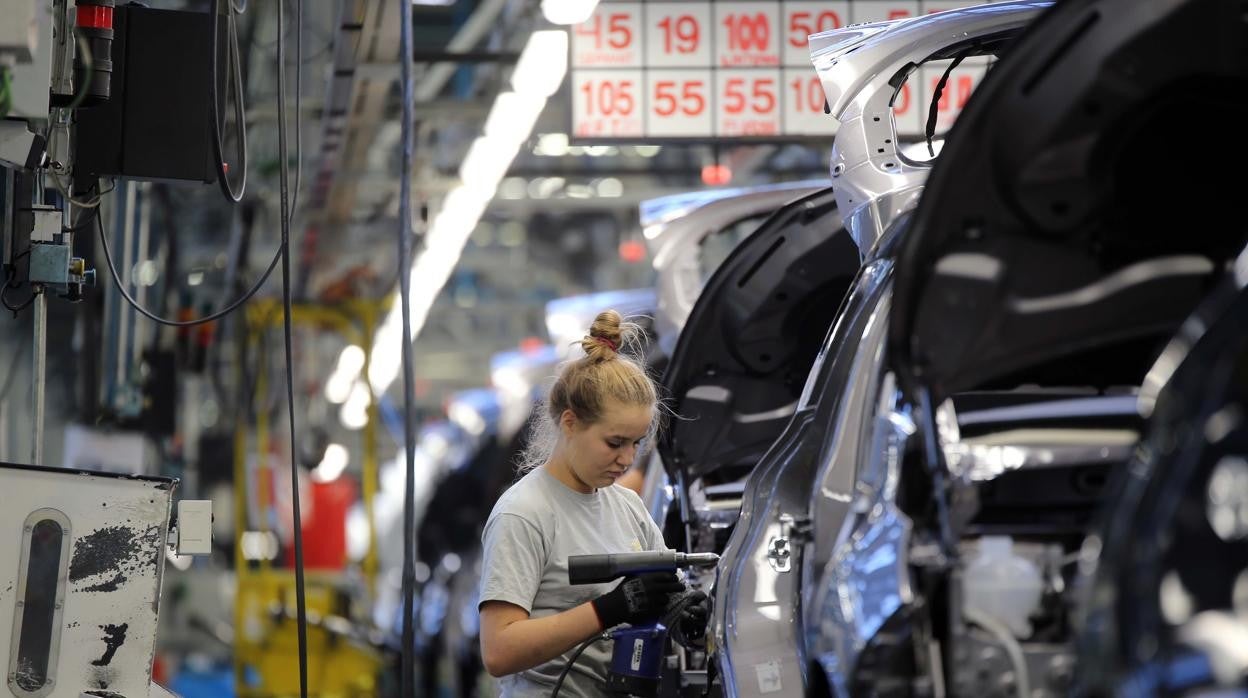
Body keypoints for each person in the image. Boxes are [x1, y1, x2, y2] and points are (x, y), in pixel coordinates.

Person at [478, 310, 683, 696]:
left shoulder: (628, 506)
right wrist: (607, 610)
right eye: (614, 442)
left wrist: (682, 607)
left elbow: (666, 589)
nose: (627, 460)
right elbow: (499, 651)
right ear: (570, 423)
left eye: (636, 444)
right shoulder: (524, 513)